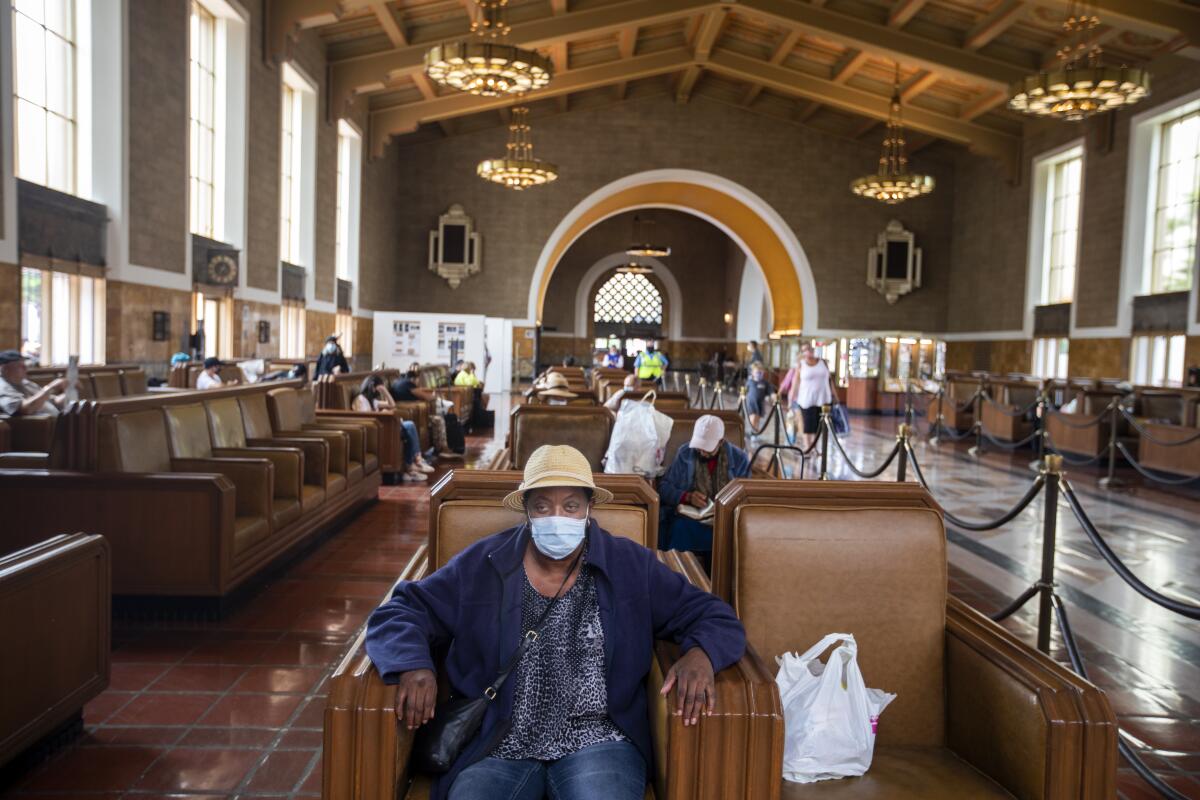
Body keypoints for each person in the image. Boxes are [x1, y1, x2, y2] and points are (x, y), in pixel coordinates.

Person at [365, 444, 746, 800]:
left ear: (589, 508)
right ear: (527, 510)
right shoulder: (485, 563)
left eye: (571, 506)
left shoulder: (628, 565)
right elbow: (402, 610)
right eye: (544, 507)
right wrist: (413, 664)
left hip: (600, 739)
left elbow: (712, 614)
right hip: (500, 739)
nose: (558, 518)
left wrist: (702, 655)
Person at [658, 415, 750, 564]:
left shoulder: (739, 459)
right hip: (691, 520)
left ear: (720, 442)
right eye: (699, 446)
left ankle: (719, 584)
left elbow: (747, 497)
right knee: (678, 528)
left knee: (731, 537)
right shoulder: (685, 453)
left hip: (725, 522)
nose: (702, 452)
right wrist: (687, 497)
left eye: (707, 448)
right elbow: (664, 487)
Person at [352, 373, 433, 480]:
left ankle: (412, 465)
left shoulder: (373, 401)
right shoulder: (360, 399)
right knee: (408, 427)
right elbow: (366, 418)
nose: (378, 392)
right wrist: (382, 414)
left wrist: (384, 391)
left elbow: (392, 405)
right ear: (372, 387)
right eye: (378, 388)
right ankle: (414, 464)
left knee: (409, 428)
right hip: (374, 431)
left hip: (382, 427)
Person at [391, 367, 459, 459]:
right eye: (419, 380)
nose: (419, 383)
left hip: (408, 413)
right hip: (414, 414)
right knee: (438, 420)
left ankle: (438, 448)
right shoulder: (408, 384)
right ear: (415, 379)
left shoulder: (397, 383)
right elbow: (428, 397)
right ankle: (442, 449)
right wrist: (434, 396)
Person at [778, 344, 835, 450]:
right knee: (808, 424)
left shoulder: (823, 362)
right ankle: (807, 447)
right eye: (804, 350)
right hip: (806, 399)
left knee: (819, 425)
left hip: (823, 399)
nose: (808, 352)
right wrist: (791, 399)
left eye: (809, 349)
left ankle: (815, 447)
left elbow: (829, 380)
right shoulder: (801, 365)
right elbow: (794, 382)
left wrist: (834, 395)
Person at [0, 350, 66, 419]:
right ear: (4, 368)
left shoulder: (25, 382)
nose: (25, 369)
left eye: (24, 365)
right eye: (20, 366)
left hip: (56, 421)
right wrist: (50, 387)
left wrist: (69, 391)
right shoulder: (2, 387)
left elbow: (53, 400)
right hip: (39, 425)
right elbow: (25, 409)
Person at [743, 363, 776, 433]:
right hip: (751, 403)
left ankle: (755, 432)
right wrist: (741, 400)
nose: (759, 374)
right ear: (753, 373)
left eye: (761, 372)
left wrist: (773, 396)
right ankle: (753, 432)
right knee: (753, 418)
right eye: (757, 372)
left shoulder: (765, 383)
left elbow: (770, 391)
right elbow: (744, 392)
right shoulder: (750, 382)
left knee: (757, 419)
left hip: (760, 403)